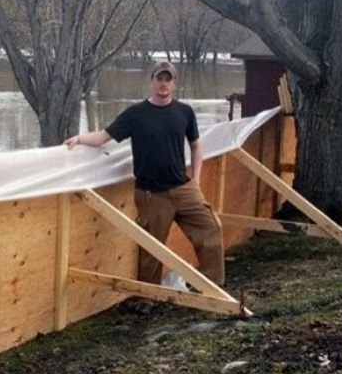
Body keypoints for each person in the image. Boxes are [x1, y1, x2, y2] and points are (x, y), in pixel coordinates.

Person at [64, 61, 225, 286]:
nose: (163, 84)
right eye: (159, 78)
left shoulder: (184, 112)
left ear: (174, 84)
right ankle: (148, 297)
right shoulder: (135, 114)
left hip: (183, 188)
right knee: (151, 249)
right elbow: (103, 137)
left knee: (211, 229)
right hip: (151, 195)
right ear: (151, 81)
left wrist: (196, 180)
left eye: (168, 79)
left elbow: (196, 146)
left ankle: (211, 286)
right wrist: (80, 139)